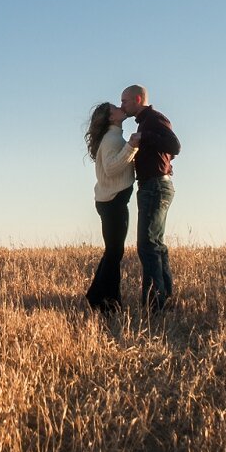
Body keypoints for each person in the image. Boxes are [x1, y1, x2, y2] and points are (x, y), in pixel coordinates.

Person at [120, 84, 181, 313]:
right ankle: (163, 298)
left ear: (137, 99)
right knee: (155, 244)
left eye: (125, 101)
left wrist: (144, 137)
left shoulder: (153, 120)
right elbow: (168, 149)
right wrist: (165, 161)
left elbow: (174, 145)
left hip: (155, 186)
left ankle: (156, 304)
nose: (122, 106)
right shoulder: (148, 122)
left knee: (147, 245)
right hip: (154, 184)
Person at [83, 102, 140, 312]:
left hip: (112, 200)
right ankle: (104, 300)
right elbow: (112, 168)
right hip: (112, 201)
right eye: (115, 108)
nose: (120, 108)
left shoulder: (114, 137)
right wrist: (132, 146)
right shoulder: (112, 139)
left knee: (113, 251)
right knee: (115, 251)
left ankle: (101, 297)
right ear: (111, 117)